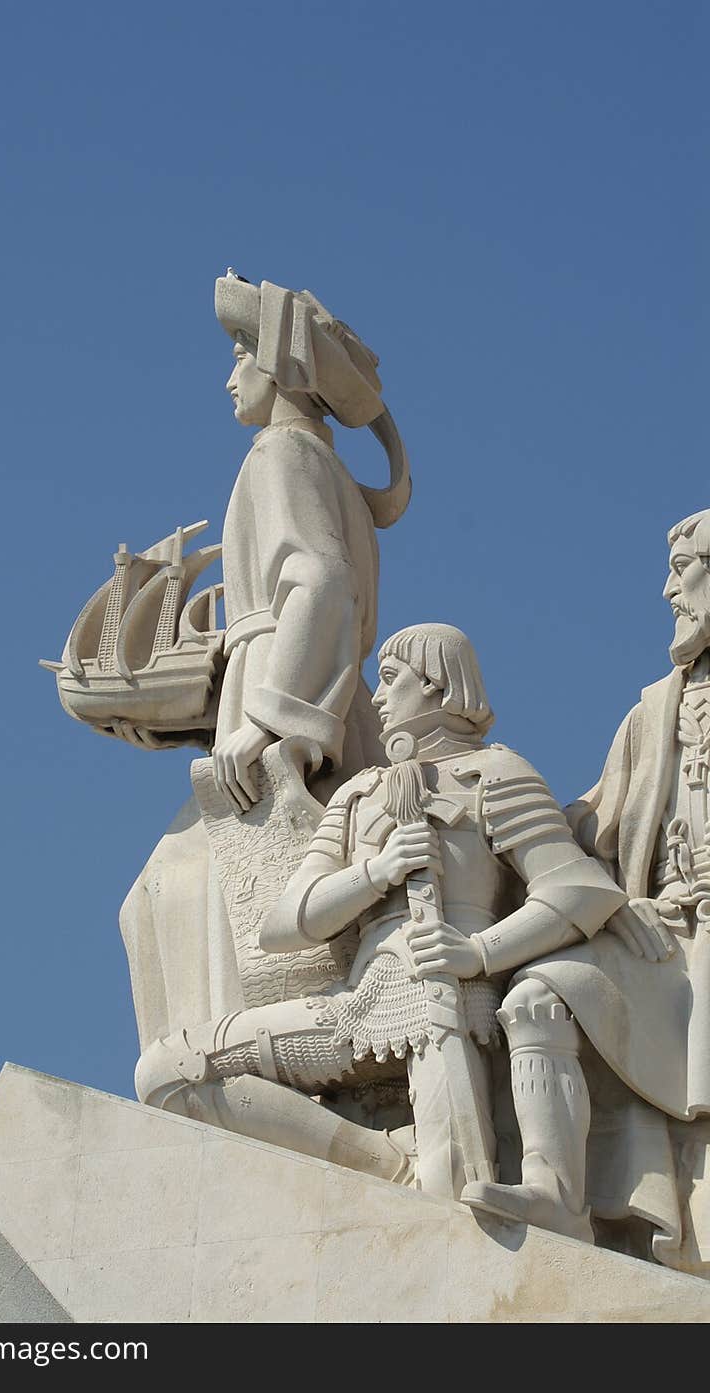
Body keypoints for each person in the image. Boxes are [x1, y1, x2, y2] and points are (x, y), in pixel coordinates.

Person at [135, 623, 624, 1199]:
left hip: (448, 996)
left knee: (455, 1195)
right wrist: (377, 871)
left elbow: (578, 890)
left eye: (392, 680)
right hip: (357, 1003)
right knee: (168, 1073)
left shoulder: (492, 774)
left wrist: (477, 952)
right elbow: (286, 924)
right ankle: (392, 1166)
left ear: (438, 686)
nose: (376, 697)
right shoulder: (360, 793)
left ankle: (428, 1171)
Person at [121, 273, 411, 1044]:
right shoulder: (328, 470)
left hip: (286, 718)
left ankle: (220, 1067)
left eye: (241, 352)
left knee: (173, 896)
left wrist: (267, 721)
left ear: (282, 366)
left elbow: (321, 582)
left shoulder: (278, 451)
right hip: (307, 699)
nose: (229, 374)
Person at [462, 510, 710, 1272]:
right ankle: (554, 1193)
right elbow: (583, 829)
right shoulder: (653, 713)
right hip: (668, 932)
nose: (670, 587)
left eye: (685, 567)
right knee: (538, 994)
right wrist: (617, 898)